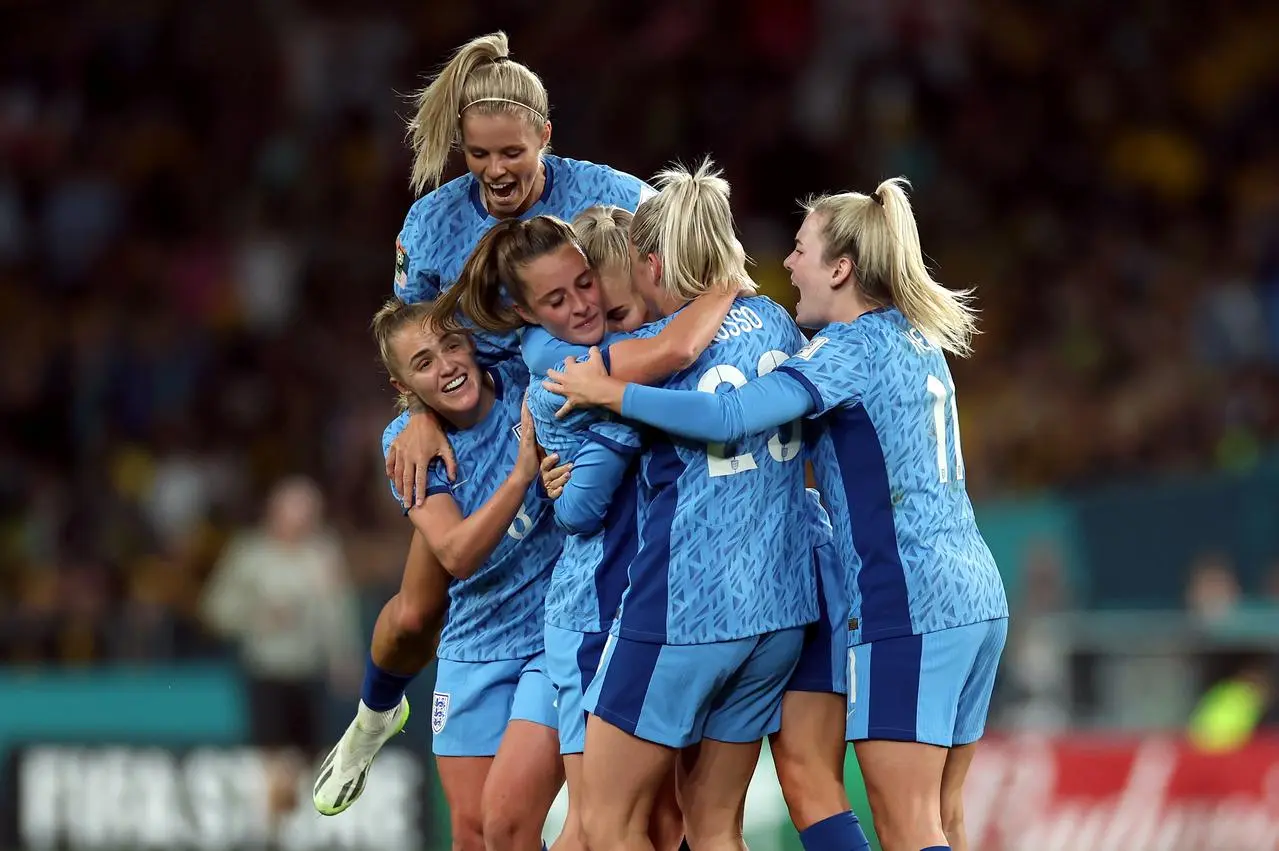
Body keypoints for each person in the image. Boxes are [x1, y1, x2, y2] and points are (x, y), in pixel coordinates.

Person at [544, 178, 1010, 851]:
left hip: (903, 600)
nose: (786, 264)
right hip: (971, 594)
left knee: (907, 823)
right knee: (943, 814)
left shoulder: (843, 350)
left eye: (799, 249)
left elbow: (730, 415)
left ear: (841, 268)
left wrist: (612, 393)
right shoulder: (910, 335)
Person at [316, 30, 658, 817]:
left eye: (511, 152)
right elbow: (411, 335)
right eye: (477, 154)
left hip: (578, 414)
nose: (496, 171)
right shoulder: (432, 224)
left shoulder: (614, 196)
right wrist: (415, 415)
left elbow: (683, 266)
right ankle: (374, 717)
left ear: (546, 135)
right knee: (412, 613)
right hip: (475, 425)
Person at [431, 206, 730, 851]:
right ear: (526, 313)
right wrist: (727, 285)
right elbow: (578, 509)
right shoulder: (566, 364)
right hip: (594, 609)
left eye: (586, 285)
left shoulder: (603, 344)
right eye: (555, 299)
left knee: (634, 821)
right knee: (569, 822)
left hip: (647, 605)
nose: (582, 307)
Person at [557, 159, 819, 851]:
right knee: (714, 828)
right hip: (777, 614)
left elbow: (582, 503)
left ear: (650, 262)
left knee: (605, 823)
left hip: (683, 609)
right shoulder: (777, 321)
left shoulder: (652, 359)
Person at [326, 298, 564, 851]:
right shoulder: (404, 447)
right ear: (403, 384)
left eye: (452, 345)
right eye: (424, 362)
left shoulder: (524, 380)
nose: (447, 366)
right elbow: (456, 555)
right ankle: (370, 719)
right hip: (474, 641)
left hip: (552, 639)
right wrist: (521, 476)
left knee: (510, 824)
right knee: (473, 834)